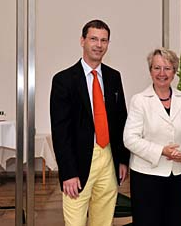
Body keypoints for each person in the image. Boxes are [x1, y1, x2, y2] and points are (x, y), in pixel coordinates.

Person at [50, 19, 129, 226]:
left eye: (104, 40)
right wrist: (67, 172)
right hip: (78, 163)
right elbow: (60, 131)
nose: (98, 45)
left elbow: (121, 120)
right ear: (82, 41)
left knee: (103, 221)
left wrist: (122, 159)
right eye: (93, 39)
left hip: (108, 158)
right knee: (75, 222)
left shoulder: (114, 77)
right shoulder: (63, 80)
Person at [123, 48, 181, 226]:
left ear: (174, 71)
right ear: (150, 71)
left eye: (167, 68)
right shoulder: (139, 100)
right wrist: (161, 151)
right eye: (157, 68)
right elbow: (130, 138)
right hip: (146, 176)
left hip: (177, 175)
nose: (162, 73)